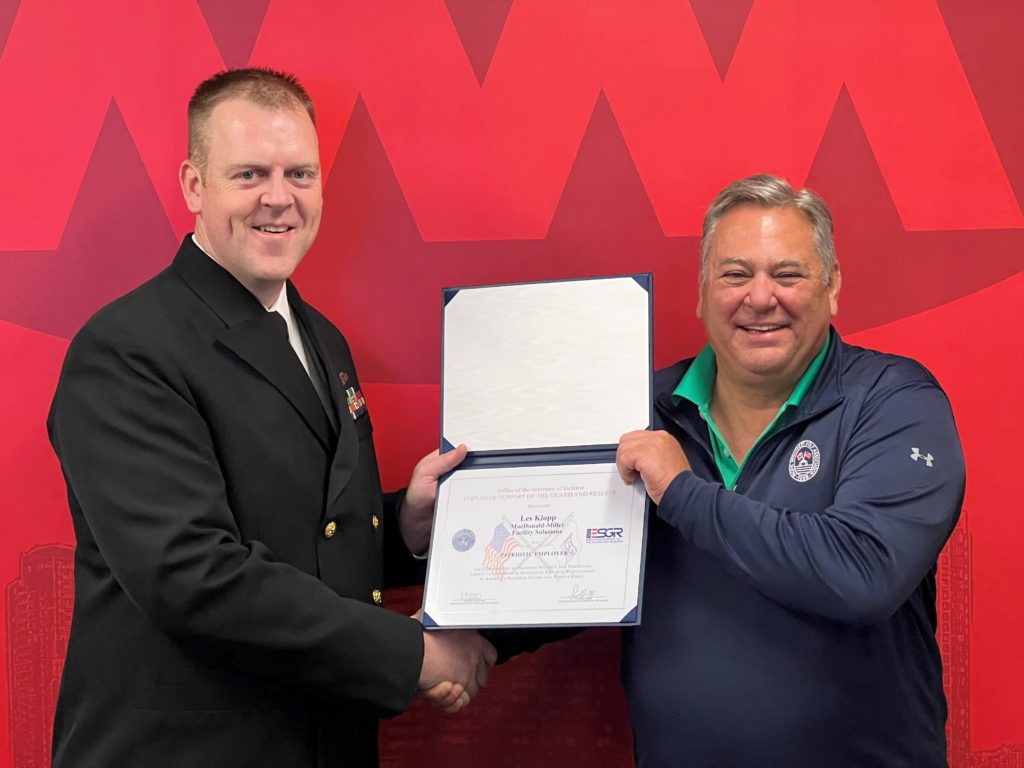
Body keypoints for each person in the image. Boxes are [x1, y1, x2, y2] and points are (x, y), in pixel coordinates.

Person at [46, 67, 494, 768]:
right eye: (250, 174)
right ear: (195, 185)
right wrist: (414, 654)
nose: (279, 198)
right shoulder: (126, 350)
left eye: (299, 174)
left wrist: (404, 524)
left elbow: (301, 536)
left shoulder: (323, 340)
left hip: (322, 741)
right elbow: (191, 573)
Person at [615, 174, 965, 766]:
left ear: (832, 288)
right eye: (735, 274)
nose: (759, 297)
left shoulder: (893, 401)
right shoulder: (643, 412)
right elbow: (580, 558)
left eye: (788, 275)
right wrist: (474, 637)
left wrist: (681, 491)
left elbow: (863, 571)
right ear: (701, 293)